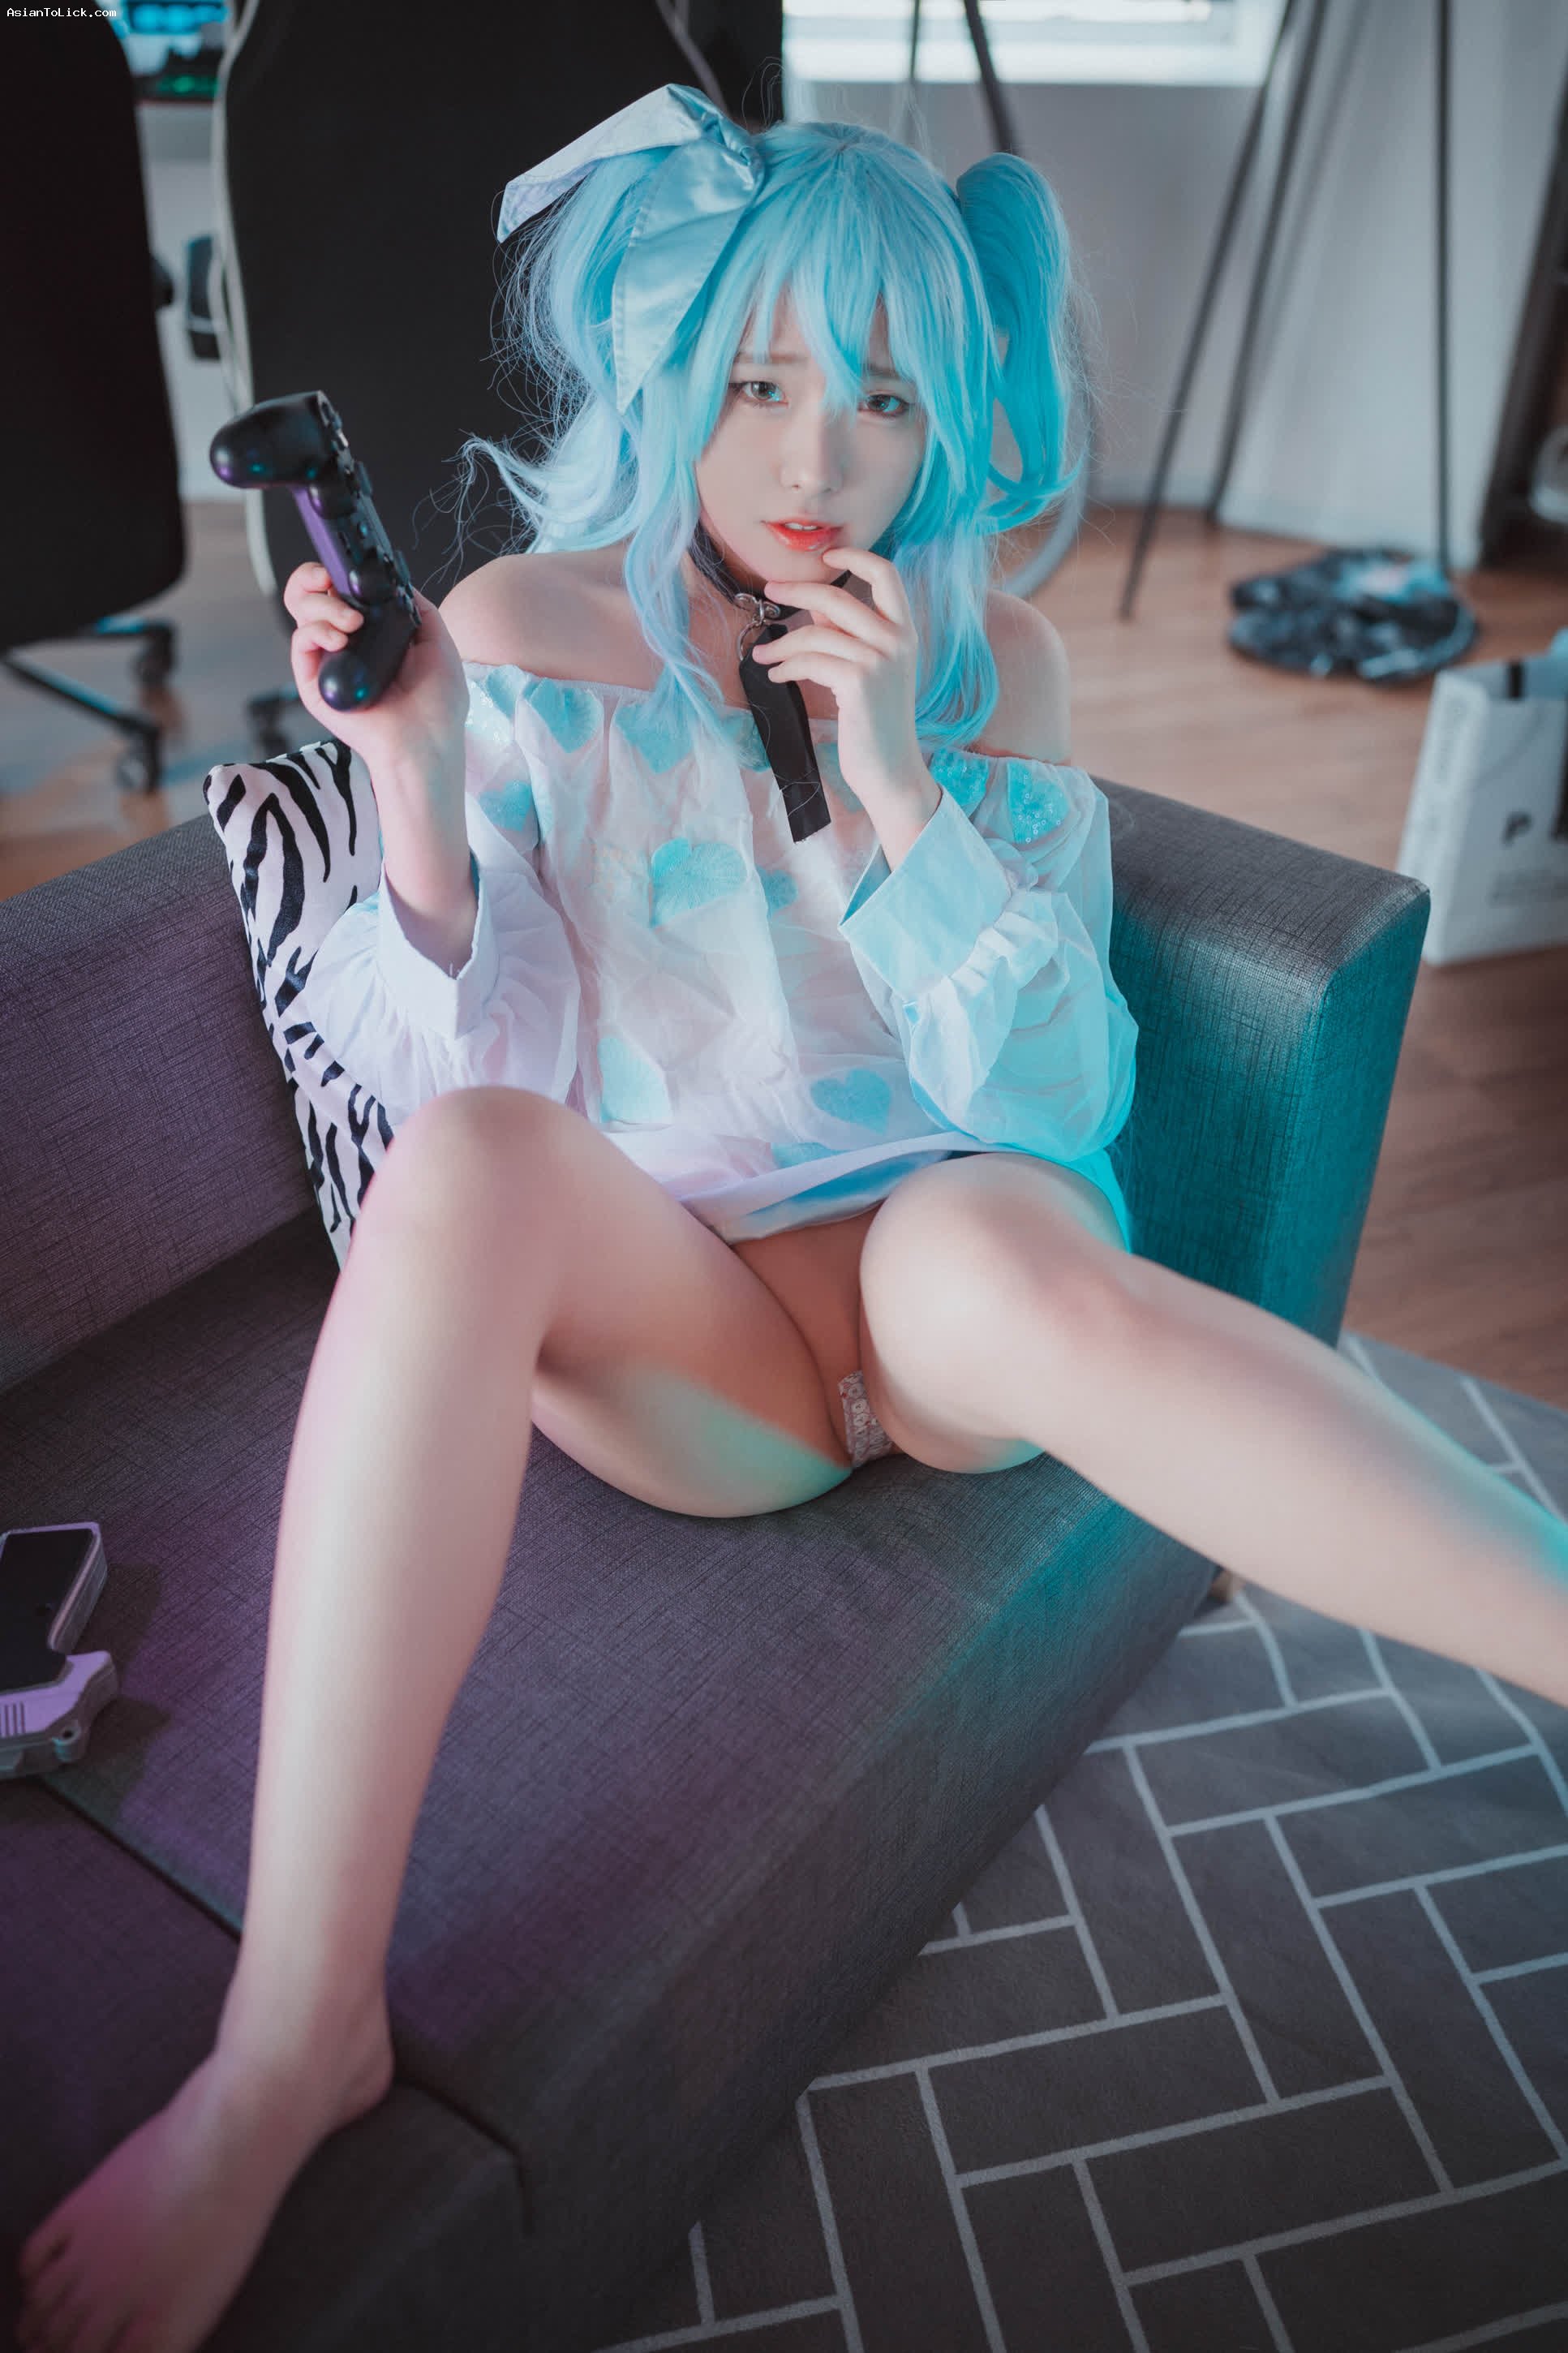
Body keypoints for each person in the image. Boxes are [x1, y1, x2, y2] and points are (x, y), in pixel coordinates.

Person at [16, 82, 1567, 2353]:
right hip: (695, 1346)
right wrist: (418, 782)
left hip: (952, 1282)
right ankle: (290, 2043)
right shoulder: (529, 626)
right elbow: (482, 1086)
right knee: (465, 1168)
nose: (821, 458)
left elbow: (1060, 1097)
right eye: (760, 384)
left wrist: (898, 790)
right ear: (669, 377)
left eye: (886, 398)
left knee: (1007, 1248)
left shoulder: (993, 660)